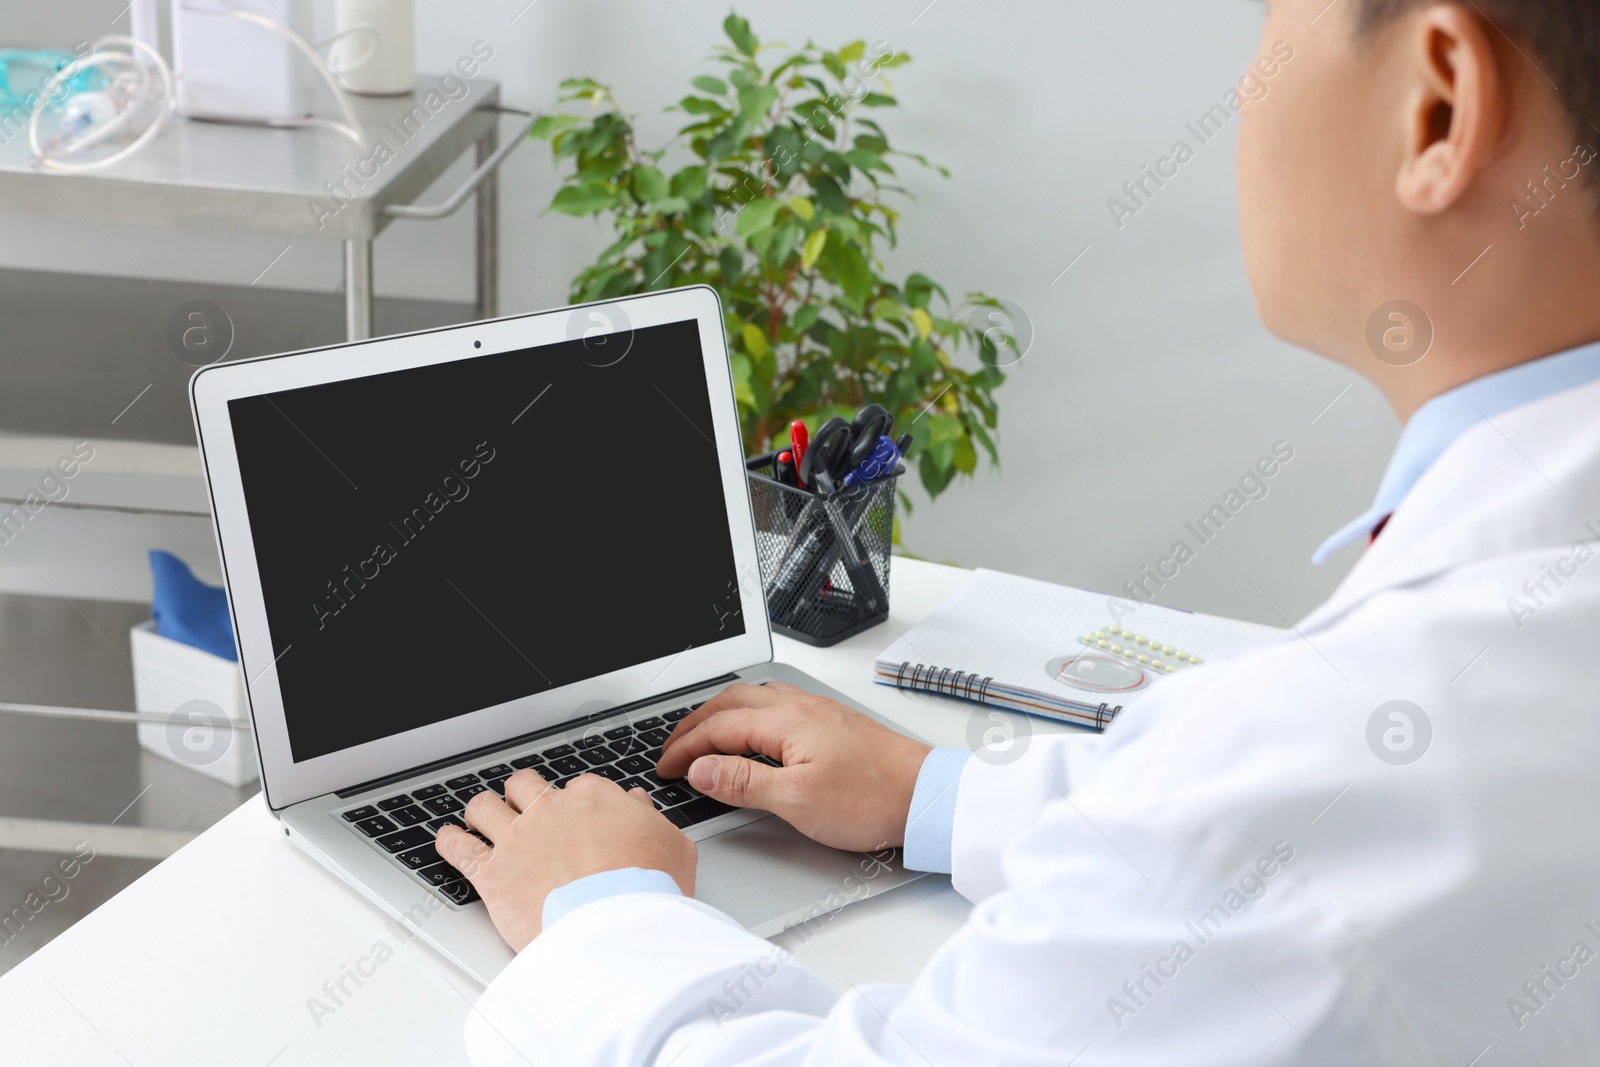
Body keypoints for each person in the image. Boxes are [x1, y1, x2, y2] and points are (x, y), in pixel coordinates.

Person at [436, 0, 1600, 1061]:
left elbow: (1265, 833)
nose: (1243, 94)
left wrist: (600, 909)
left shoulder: (1313, 772)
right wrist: (938, 792)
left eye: (1263, 31)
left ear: (1437, 104)